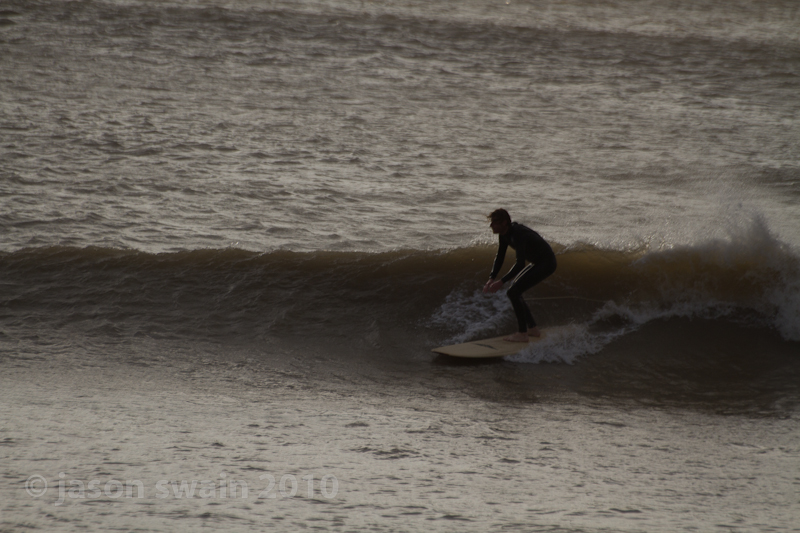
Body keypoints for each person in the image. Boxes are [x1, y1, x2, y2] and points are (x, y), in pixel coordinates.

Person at [482, 209, 557, 342]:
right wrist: (491, 278)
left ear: (504, 223)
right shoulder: (504, 234)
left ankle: (523, 334)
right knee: (514, 292)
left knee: (513, 291)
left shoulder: (518, 234)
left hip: (547, 263)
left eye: (494, 222)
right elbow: (500, 257)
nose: (491, 225)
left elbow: (520, 264)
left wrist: (501, 281)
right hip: (538, 262)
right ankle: (532, 329)